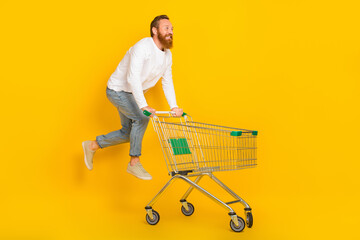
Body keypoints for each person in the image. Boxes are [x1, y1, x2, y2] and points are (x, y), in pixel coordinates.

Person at [82, 15, 183, 180]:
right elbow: (133, 78)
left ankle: (92, 145)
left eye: (172, 29)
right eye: (166, 28)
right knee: (142, 119)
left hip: (132, 94)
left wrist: (174, 106)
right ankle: (134, 163)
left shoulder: (167, 55)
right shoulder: (142, 47)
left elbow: (167, 81)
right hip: (117, 90)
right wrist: (143, 106)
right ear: (154, 30)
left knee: (129, 133)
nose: (170, 31)